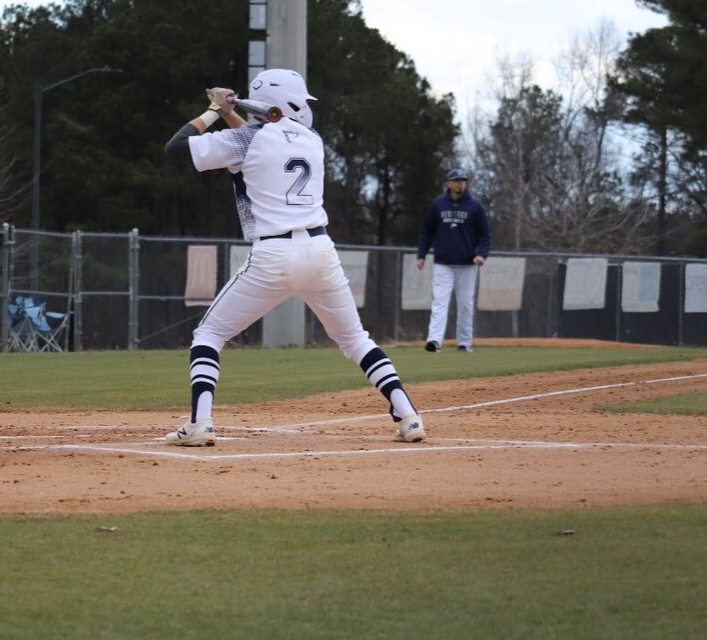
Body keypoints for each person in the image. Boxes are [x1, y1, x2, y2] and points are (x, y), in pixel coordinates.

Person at [161, 68, 425, 446]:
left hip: (273, 254)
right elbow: (262, 137)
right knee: (355, 339)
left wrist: (214, 110)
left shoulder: (246, 139)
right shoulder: (312, 139)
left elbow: (177, 148)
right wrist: (234, 111)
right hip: (320, 250)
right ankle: (409, 415)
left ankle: (200, 423)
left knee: (210, 334)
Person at [415, 168, 491, 353]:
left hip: (467, 264)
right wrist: (421, 254)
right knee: (440, 302)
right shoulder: (438, 205)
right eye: (456, 181)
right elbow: (427, 231)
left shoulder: (475, 207)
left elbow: (485, 235)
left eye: (463, 181)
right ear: (448, 183)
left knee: (465, 304)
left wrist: (481, 254)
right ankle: (434, 341)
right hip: (443, 263)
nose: (460, 184)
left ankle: (464, 342)